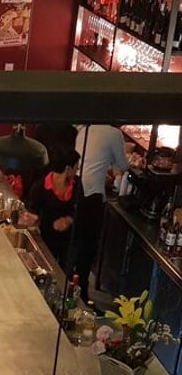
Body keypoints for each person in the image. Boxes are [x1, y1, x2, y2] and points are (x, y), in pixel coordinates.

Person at [75, 124, 130, 302]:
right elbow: (123, 165)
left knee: (76, 242)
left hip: (76, 187)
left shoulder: (85, 128)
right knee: (88, 247)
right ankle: (82, 294)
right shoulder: (114, 133)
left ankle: (72, 288)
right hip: (92, 195)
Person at [21, 147, 82, 271]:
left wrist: (68, 219)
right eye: (76, 166)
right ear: (67, 169)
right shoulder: (40, 188)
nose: (78, 169)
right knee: (49, 271)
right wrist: (31, 218)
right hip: (48, 241)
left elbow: (81, 209)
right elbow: (34, 212)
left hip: (71, 241)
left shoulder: (77, 184)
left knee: (66, 274)